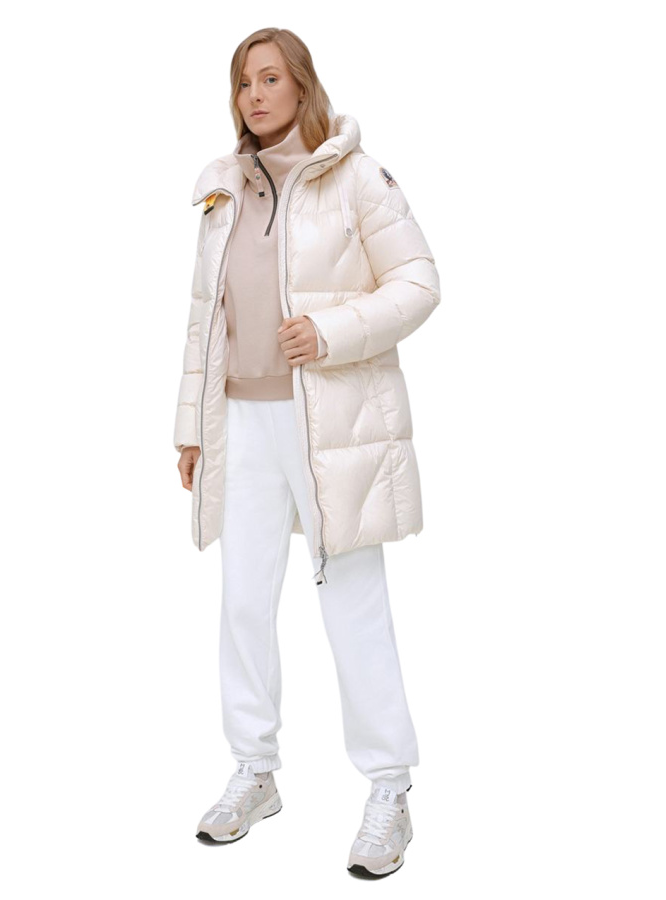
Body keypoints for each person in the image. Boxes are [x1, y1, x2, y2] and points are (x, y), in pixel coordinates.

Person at [173, 27, 441, 878]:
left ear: (300, 85)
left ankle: (389, 789)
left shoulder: (356, 177)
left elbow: (419, 284)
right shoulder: (224, 188)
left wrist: (328, 331)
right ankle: (254, 771)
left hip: (328, 420)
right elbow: (204, 318)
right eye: (241, 82)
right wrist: (190, 425)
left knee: (351, 601)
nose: (253, 96)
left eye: (269, 79)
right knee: (243, 603)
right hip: (240, 421)